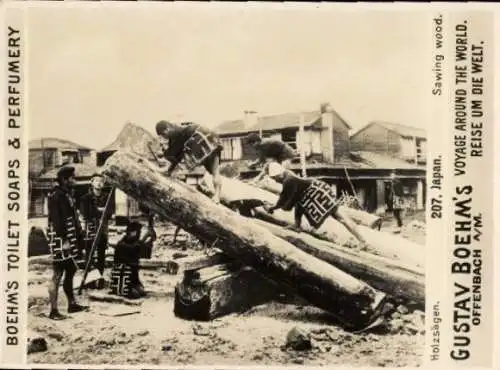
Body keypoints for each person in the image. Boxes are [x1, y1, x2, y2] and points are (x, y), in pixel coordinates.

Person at [263, 163, 367, 244]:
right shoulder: (287, 174)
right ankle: (297, 226)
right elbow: (290, 197)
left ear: (278, 175)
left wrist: (274, 207)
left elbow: (287, 200)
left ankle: (363, 241)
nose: (275, 181)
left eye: (274, 178)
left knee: (341, 218)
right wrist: (275, 207)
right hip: (313, 191)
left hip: (318, 191)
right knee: (300, 203)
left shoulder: (288, 180)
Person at [46, 166, 89, 320]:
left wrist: (78, 237)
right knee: (57, 273)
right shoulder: (56, 196)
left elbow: (72, 218)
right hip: (61, 239)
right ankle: (53, 311)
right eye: (72, 178)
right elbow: (57, 221)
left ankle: (72, 304)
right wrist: (64, 240)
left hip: (69, 238)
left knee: (71, 269)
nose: (75, 181)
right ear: (65, 180)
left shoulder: (66, 195)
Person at [155, 120, 223, 204]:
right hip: (213, 141)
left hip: (200, 139)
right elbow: (176, 157)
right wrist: (169, 170)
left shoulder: (176, 133)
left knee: (182, 164)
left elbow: (175, 156)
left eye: (164, 135)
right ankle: (217, 196)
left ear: (167, 129)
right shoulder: (181, 130)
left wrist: (167, 159)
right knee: (215, 172)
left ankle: (216, 196)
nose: (165, 138)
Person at [79, 173, 112, 288]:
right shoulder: (85, 198)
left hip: (102, 228)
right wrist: (100, 211)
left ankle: (100, 278)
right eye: (97, 181)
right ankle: (90, 280)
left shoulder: (107, 197)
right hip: (90, 228)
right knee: (89, 254)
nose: (99, 183)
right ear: (92, 182)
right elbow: (86, 213)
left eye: (101, 181)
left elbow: (110, 213)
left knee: (101, 254)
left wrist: (99, 211)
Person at [111, 221, 147, 299]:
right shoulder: (124, 245)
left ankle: (132, 287)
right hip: (124, 279)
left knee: (141, 292)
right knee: (136, 294)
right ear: (133, 232)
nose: (139, 234)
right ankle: (127, 289)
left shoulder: (129, 243)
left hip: (131, 278)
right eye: (139, 232)